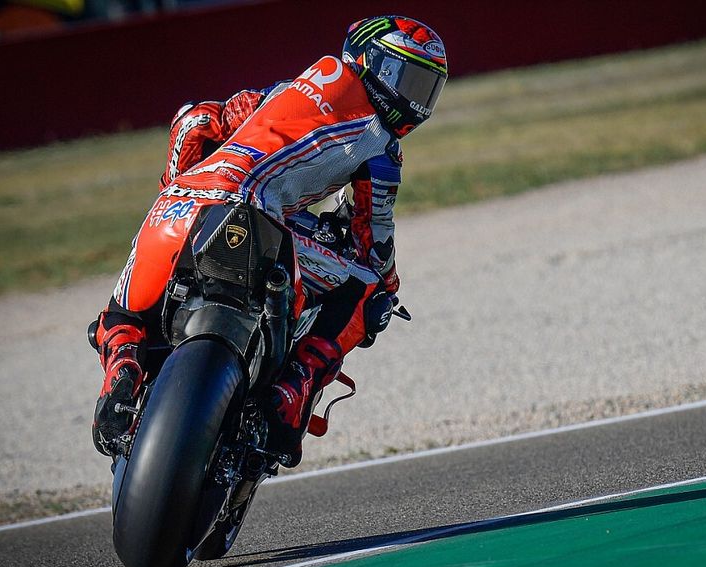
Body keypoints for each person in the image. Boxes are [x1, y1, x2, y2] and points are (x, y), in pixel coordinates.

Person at [91, 15, 448, 467]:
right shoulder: (380, 146)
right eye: (408, 79)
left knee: (121, 318)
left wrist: (176, 187)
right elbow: (374, 242)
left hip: (180, 206)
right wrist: (390, 289)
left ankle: (122, 369)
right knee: (370, 287)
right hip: (260, 220)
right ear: (369, 61)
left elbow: (193, 120)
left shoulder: (283, 92)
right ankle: (292, 390)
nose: (413, 101)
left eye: (426, 89)